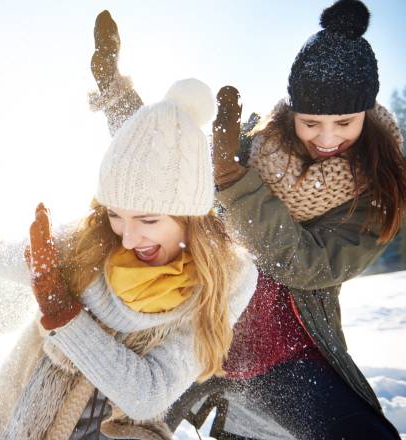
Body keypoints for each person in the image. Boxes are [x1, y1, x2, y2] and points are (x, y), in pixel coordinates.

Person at [88, 2, 405, 438]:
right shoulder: (252, 147)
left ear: (366, 115)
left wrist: (236, 186)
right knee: (110, 430)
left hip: (284, 358)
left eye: (344, 123)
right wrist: (115, 90)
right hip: (195, 346)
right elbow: (164, 166)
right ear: (291, 112)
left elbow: (306, 266)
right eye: (311, 122)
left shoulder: (376, 192)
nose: (327, 138)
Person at [0, 79, 258, 439]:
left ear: (190, 217)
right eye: (117, 214)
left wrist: (64, 316)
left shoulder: (228, 277)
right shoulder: (92, 241)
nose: (129, 237)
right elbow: (2, 253)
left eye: (148, 220)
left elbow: (148, 394)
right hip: (35, 420)